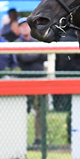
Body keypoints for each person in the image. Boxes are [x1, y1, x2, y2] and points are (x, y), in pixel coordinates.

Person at [14, 17, 47, 146]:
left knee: (40, 111)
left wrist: (34, 54)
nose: (25, 28)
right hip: (24, 82)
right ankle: (21, 141)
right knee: (22, 111)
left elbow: (44, 55)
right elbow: (24, 58)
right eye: (22, 26)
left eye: (26, 25)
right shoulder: (17, 42)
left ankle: (38, 138)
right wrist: (37, 53)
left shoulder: (36, 40)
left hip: (39, 80)